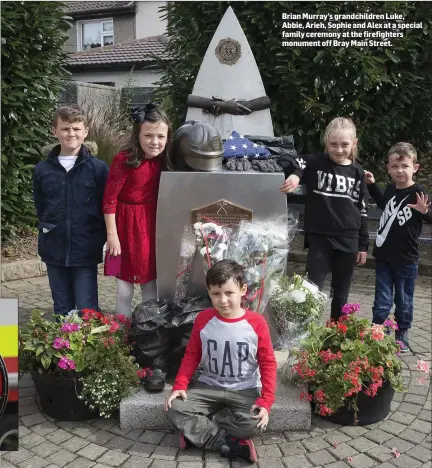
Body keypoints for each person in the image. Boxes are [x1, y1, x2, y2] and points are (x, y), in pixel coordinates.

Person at [164, 259, 277, 463]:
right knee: (174, 409)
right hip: (209, 386)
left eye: (229, 293)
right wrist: (180, 385)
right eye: (216, 294)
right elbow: (192, 355)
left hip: (244, 389)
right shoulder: (204, 319)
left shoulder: (256, 323)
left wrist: (266, 401)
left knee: (254, 424)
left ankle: (202, 428)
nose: (223, 300)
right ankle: (228, 443)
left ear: (242, 290)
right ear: (209, 292)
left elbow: (268, 363)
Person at [279, 117, 369, 320]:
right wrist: (296, 175)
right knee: (311, 290)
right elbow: (297, 161)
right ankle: (306, 335)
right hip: (320, 238)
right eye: (333, 144)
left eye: (345, 145)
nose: (339, 150)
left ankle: (336, 334)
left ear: (354, 144)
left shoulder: (358, 172)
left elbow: (361, 209)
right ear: (326, 143)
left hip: (349, 241)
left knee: (341, 294)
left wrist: (363, 245)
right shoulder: (316, 163)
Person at [33, 105, 109, 315]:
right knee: (62, 307)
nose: (71, 134)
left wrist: (100, 237)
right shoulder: (42, 170)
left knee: (87, 309)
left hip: (85, 247)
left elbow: (106, 206)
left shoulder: (99, 169)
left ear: (86, 131)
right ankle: (62, 346)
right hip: (54, 247)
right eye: (65, 128)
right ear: (54, 131)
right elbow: (41, 206)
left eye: (76, 128)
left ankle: (89, 346)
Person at [102, 103, 172, 316]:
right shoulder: (123, 160)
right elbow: (109, 200)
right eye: (148, 135)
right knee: (124, 288)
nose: (155, 142)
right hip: (123, 227)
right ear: (137, 135)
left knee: (150, 284)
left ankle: (148, 330)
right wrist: (112, 236)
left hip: (150, 226)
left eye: (161, 136)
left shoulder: (166, 161)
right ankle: (120, 335)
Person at [364, 143, 432, 352]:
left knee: (403, 300)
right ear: (388, 168)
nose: (399, 170)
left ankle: (402, 332)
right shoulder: (392, 188)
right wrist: (373, 185)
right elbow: (384, 203)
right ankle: (379, 332)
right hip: (383, 255)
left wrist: (424, 212)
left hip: (406, 258)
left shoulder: (419, 192)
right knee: (382, 300)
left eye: (404, 165)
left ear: (415, 167)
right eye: (395, 166)